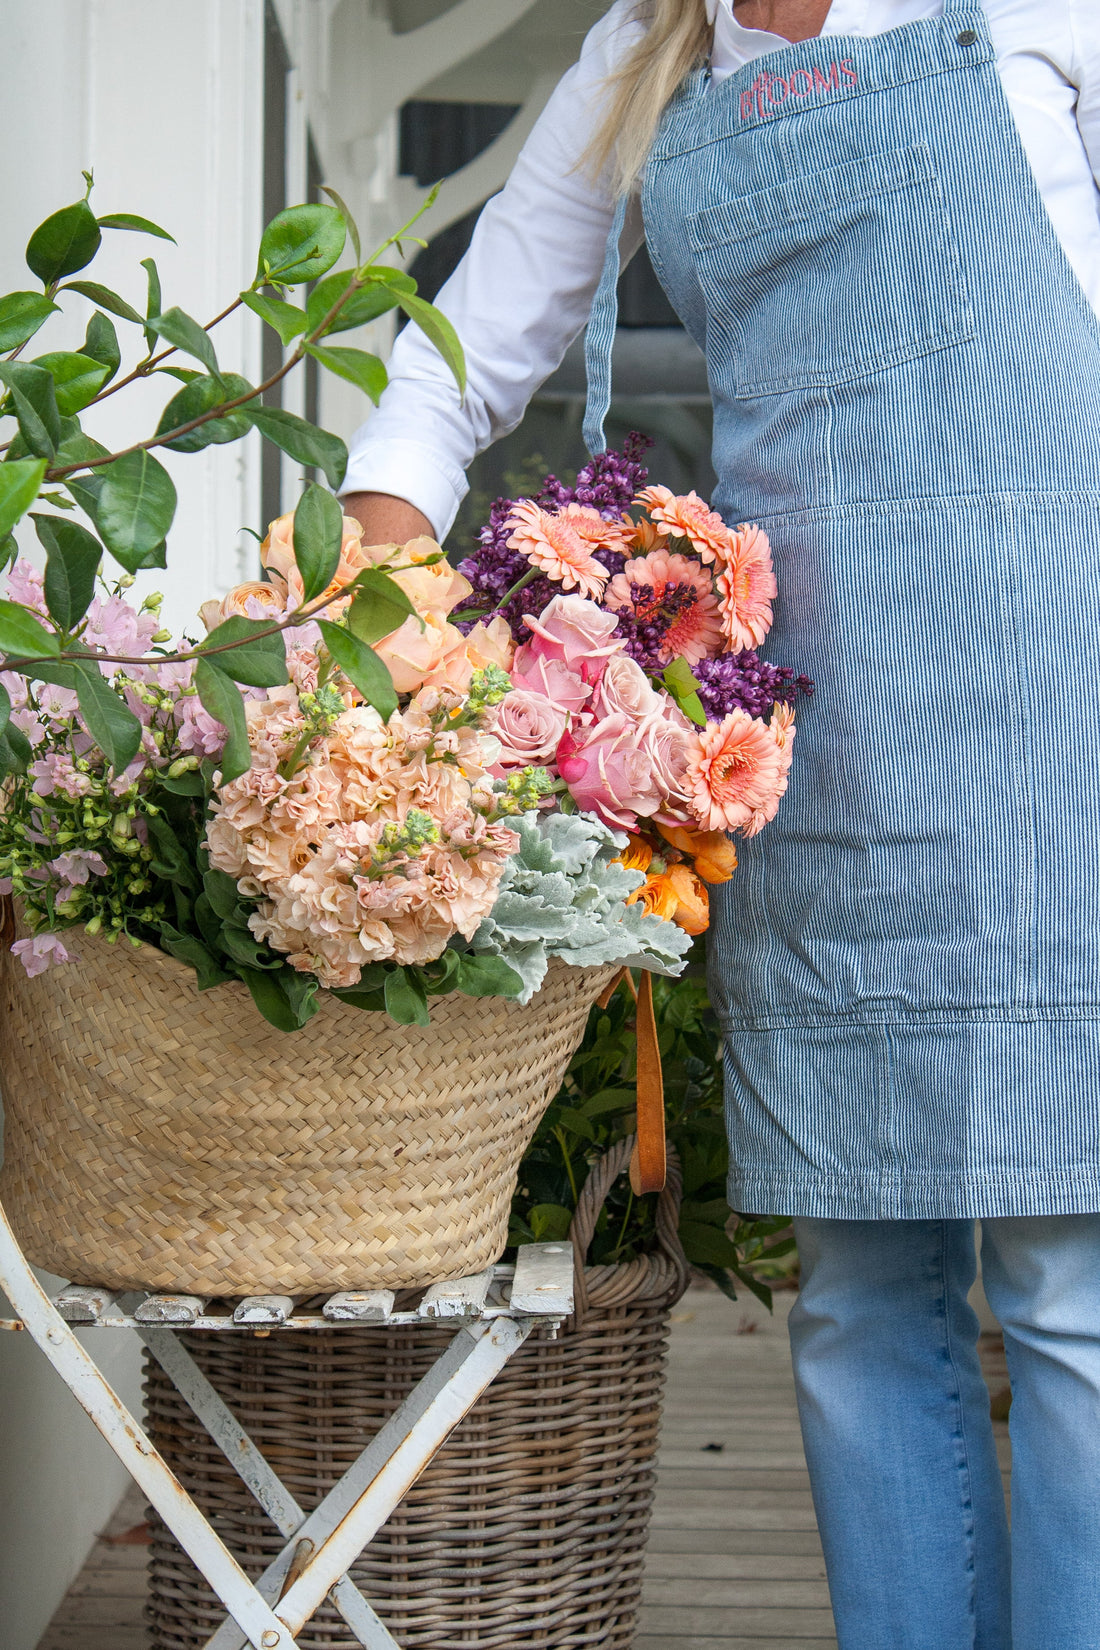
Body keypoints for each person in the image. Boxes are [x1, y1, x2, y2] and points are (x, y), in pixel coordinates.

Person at [340, 4, 1100, 1645]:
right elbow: (469, 338)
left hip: (1057, 686)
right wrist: (375, 546)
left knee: (1066, 1284)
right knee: (858, 1286)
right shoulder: (650, 49)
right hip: (813, 729)